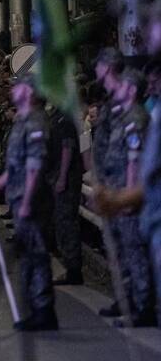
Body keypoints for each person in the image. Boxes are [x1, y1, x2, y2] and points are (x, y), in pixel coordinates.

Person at [0, 78, 56, 331]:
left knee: (36, 254)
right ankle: (34, 308)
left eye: (19, 86)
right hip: (19, 195)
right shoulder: (22, 121)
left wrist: (27, 201)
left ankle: (44, 310)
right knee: (28, 255)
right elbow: (15, 167)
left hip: (31, 199)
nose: (14, 89)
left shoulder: (35, 121)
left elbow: (34, 167)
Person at [99, 68, 155, 326]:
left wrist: (126, 198)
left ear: (131, 90)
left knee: (134, 252)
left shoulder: (136, 118)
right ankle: (130, 301)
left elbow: (135, 160)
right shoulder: (125, 117)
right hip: (119, 193)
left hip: (128, 195)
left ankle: (142, 307)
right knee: (124, 250)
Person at [49, 106, 84, 285]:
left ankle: (74, 269)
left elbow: (67, 148)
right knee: (62, 222)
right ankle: (70, 266)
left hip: (68, 178)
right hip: (59, 175)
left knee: (67, 222)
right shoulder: (57, 115)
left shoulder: (66, 117)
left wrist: (62, 177)